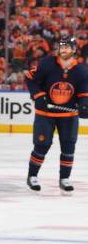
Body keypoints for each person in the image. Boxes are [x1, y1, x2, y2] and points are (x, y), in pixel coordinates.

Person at [25, 36, 88, 193]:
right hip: (45, 114)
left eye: (69, 47)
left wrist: (84, 105)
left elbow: (83, 91)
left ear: (74, 50)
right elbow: (30, 78)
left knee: (68, 147)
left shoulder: (81, 70)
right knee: (41, 145)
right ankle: (32, 176)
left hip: (68, 116)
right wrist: (38, 96)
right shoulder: (47, 63)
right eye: (62, 47)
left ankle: (64, 179)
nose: (65, 49)